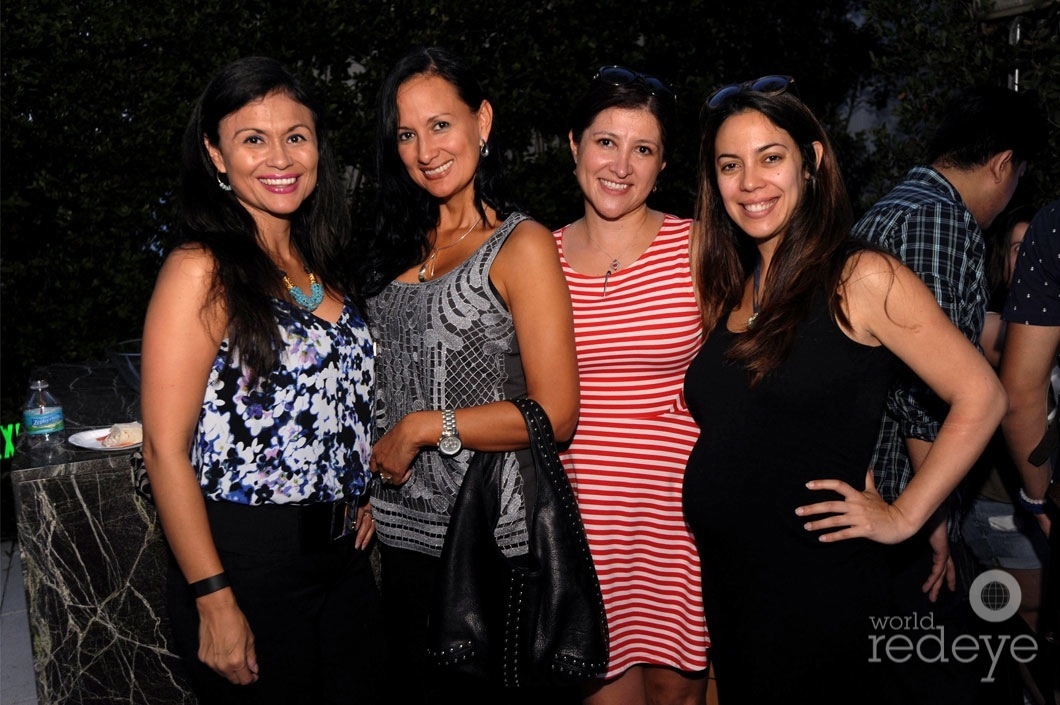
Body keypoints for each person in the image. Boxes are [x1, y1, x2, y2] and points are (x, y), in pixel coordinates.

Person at [682, 76, 1006, 705]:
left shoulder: (860, 276)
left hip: (816, 589)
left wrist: (906, 515)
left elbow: (982, 395)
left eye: (770, 157)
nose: (749, 182)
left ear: (813, 160)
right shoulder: (739, 287)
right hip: (735, 584)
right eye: (730, 165)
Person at [140, 57, 379, 705]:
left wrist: (360, 492)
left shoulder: (321, 265)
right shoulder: (201, 269)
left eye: (296, 136)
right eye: (254, 138)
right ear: (216, 155)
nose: (281, 157)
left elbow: (338, 404)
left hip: (344, 564)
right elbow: (164, 447)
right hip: (247, 565)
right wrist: (213, 598)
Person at [360, 46, 579, 703]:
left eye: (440, 125)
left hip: (486, 543)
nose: (425, 150)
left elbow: (556, 413)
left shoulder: (521, 244)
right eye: (406, 133)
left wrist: (425, 428)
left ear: (482, 120)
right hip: (399, 541)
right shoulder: (395, 243)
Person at [850, 86, 1045, 704]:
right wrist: (926, 515)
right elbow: (929, 393)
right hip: (898, 493)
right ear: (1001, 164)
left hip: (885, 485)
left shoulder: (896, 205)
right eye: (1017, 178)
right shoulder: (939, 219)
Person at [553, 66, 709, 705]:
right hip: (580, 526)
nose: (621, 164)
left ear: (663, 163)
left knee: (679, 695)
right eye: (605, 142)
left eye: (642, 148)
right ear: (574, 146)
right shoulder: (537, 255)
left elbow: (766, 372)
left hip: (677, 524)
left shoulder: (702, 250)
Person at [1001, 199, 1060, 693]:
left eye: (1029, 249)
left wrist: (1038, 498)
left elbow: (1021, 393)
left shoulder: (1055, 227)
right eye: (1014, 249)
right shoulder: (990, 323)